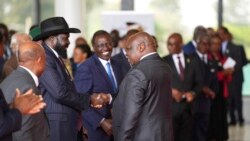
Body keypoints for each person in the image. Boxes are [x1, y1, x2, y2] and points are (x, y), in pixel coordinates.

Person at [37, 17, 111, 141]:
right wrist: (89, 99)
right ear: (52, 39)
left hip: (67, 123)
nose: (69, 42)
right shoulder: (46, 58)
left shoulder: (55, 57)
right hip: (58, 125)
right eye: (65, 38)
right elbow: (60, 93)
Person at [113, 32, 174, 141]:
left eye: (129, 48)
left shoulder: (137, 73)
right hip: (164, 134)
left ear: (141, 47)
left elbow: (131, 114)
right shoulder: (165, 66)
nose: (126, 53)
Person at [74, 30, 123, 141]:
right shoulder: (86, 68)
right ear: (94, 47)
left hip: (119, 128)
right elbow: (80, 101)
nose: (105, 48)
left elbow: (121, 93)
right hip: (97, 131)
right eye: (100, 45)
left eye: (108, 43)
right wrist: (101, 122)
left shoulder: (118, 64)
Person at [0, 41, 49, 141]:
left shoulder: (12, 78)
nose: (46, 63)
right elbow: (23, 132)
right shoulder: (28, 88)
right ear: (40, 60)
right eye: (45, 59)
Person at [163, 33, 203, 141]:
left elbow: (199, 82)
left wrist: (193, 93)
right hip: (171, 109)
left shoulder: (193, 60)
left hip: (189, 109)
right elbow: (158, 84)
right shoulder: (163, 62)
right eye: (169, 44)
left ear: (181, 44)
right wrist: (170, 91)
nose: (170, 47)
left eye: (173, 44)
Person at [218, 26, 247, 126]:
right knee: (228, 99)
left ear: (226, 34)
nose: (220, 36)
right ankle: (232, 119)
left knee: (237, 99)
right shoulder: (217, 47)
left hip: (235, 78)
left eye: (221, 33)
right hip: (223, 78)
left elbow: (240, 62)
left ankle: (240, 119)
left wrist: (230, 70)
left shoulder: (236, 47)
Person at [190, 33, 216, 141]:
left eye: (208, 44)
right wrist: (202, 89)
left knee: (203, 132)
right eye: (203, 43)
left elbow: (214, 81)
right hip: (193, 103)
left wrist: (213, 91)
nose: (206, 46)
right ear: (198, 44)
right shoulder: (190, 59)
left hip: (206, 103)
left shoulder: (211, 61)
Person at [207, 34, 231, 141]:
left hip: (222, 91)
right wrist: (223, 74)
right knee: (212, 117)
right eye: (213, 44)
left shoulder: (223, 58)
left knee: (222, 116)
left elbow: (229, 79)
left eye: (218, 44)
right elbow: (209, 77)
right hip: (211, 91)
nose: (216, 46)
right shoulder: (207, 58)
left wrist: (228, 73)